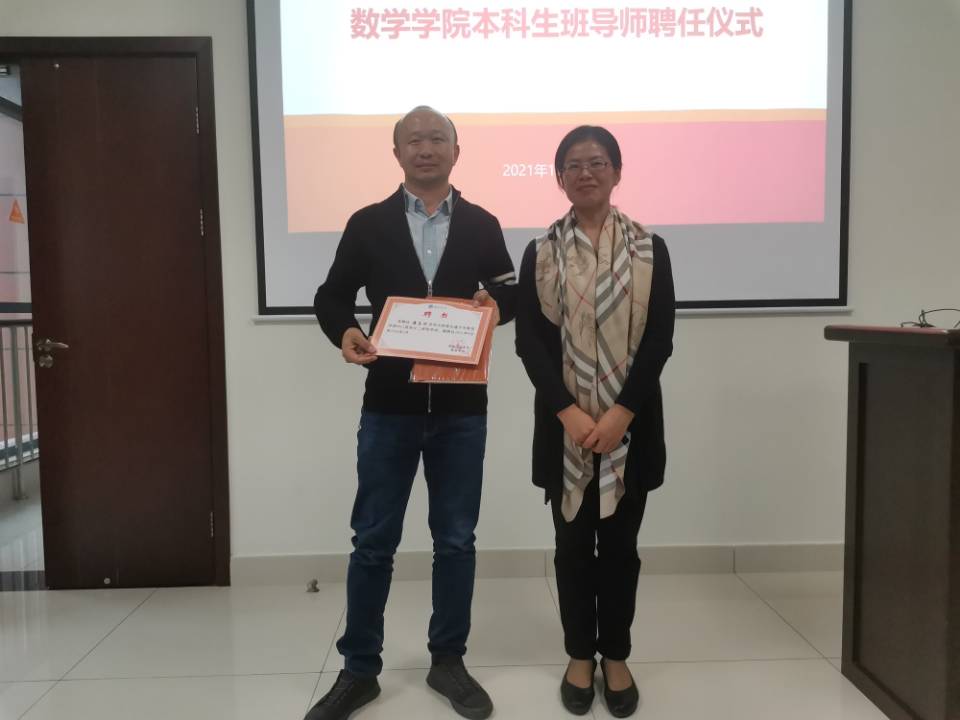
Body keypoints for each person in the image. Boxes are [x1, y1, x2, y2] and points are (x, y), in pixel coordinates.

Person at [308, 106, 517, 720]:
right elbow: (330, 296)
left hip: (462, 410)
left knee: (455, 540)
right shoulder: (367, 223)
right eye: (414, 140)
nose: (426, 148)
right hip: (389, 407)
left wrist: (496, 304)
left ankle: (448, 661)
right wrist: (345, 331)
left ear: (456, 150)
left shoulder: (482, 223)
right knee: (373, 540)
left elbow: (510, 291)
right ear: (396, 152)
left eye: (437, 139)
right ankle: (359, 670)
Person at [514, 126, 675, 718]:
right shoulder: (539, 253)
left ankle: (617, 655)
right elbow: (530, 344)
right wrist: (572, 413)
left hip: (632, 424)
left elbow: (659, 340)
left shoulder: (651, 250)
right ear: (560, 178)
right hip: (565, 429)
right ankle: (580, 654)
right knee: (573, 547)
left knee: (622, 548)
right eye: (574, 164)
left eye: (598, 162)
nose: (586, 173)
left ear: (617, 172)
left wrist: (619, 414)